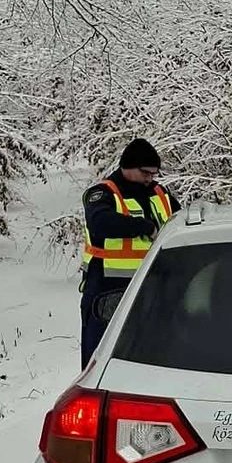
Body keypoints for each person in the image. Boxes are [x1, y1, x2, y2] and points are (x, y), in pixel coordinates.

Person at [79, 138, 180, 367]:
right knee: (100, 358)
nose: (150, 178)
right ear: (128, 166)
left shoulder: (159, 192)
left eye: (154, 173)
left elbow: (181, 219)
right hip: (108, 292)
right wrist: (145, 227)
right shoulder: (103, 193)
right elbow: (100, 222)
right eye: (145, 172)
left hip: (152, 288)